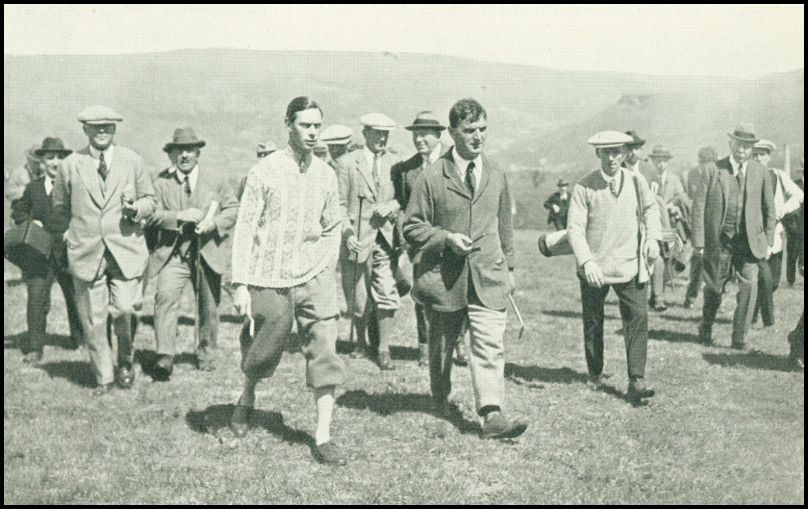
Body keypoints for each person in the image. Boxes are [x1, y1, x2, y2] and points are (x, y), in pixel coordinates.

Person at [229, 97, 346, 465]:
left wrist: (325, 264)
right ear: (288, 124)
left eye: (316, 126)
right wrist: (240, 283)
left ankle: (323, 436)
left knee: (325, 349)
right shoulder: (263, 172)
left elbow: (333, 225)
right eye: (304, 125)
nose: (311, 133)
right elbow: (245, 227)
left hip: (315, 275)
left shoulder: (326, 175)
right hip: (270, 275)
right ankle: (247, 394)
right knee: (261, 351)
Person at [404, 98, 527, 439]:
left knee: (489, 344)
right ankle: (440, 396)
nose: (478, 137)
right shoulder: (432, 176)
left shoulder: (496, 173)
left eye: (483, 129)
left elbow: (504, 227)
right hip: (445, 279)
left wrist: (510, 268)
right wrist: (445, 238)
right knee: (442, 348)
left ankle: (491, 413)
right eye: (470, 130)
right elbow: (411, 226)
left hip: (488, 274)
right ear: (452, 132)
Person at [51, 105, 156, 395]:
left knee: (125, 309)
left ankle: (125, 359)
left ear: (115, 129)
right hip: (86, 251)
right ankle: (104, 377)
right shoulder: (71, 164)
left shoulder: (132, 161)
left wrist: (136, 209)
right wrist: (71, 234)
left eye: (107, 126)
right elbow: (59, 206)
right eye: (96, 126)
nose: (102, 131)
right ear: (85, 129)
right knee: (94, 319)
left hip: (126, 249)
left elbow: (151, 200)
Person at [567, 130, 661, 404]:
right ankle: (595, 372)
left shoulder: (636, 181)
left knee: (637, 317)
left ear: (625, 154)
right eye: (606, 152)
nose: (611, 158)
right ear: (598, 153)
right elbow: (575, 229)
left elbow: (650, 210)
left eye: (617, 152)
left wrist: (653, 238)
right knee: (593, 320)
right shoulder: (584, 187)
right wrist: (587, 262)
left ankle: (636, 379)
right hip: (595, 267)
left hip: (630, 264)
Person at [148, 127, 240, 380]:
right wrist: (178, 216)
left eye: (189, 150)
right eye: (179, 151)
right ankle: (165, 356)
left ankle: (205, 352)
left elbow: (233, 208)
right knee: (165, 297)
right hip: (173, 254)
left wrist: (214, 223)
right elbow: (151, 215)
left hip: (207, 252)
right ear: (171, 155)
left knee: (208, 306)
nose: (185, 155)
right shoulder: (161, 183)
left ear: (198, 153)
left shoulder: (216, 180)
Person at [391, 111, 468, 367]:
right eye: (415, 134)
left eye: (424, 134)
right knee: (423, 294)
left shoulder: (456, 161)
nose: (419, 139)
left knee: (459, 293)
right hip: (422, 245)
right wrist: (405, 244)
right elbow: (406, 209)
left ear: (438, 135)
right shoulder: (407, 170)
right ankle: (426, 346)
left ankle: (458, 341)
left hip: (455, 241)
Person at [691, 124, 776, 349]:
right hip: (719, 241)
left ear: (752, 148)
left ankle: (739, 338)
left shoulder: (761, 172)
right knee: (714, 288)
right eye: (738, 144)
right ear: (731, 144)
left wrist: (768, 240)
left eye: (747, 146)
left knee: (749, 287)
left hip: (749, 243)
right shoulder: (713, 170)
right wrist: (699, 241)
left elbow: (769, 209)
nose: (741, 150)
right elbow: (698, 206)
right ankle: (706, 326)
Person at [335, 112, 402, 370]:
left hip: (385, 239)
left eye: (386, 134)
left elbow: (404, 198)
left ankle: (383, 349)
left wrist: (392, 206)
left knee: (387, 293)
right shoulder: (346, 163)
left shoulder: (396, 163)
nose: (382, 139)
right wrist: (347, 233)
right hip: (357, 240)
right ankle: (361, 343)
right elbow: (339, 205)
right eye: (377, 134)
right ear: (365, 134)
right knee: (358, 299)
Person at [11, 137, 82, 363]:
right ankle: (35, 347)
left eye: (60, 157)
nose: (55, 162)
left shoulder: (76, 187)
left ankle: (80, 340)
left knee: (76, 296)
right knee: (37, 297)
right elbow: (18, 211)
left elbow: (86, 215)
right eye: (50, 158)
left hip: (69, 251)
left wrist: (73, 229)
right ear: (42, 161)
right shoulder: (33, 188)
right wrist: (31, 223)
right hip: (40, 253)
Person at [751, 140, 803, 327]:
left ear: (768, 157)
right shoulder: (746, 176)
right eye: (755, 154)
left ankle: (752, 310)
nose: (758, 158)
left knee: (772, 282)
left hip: (777, 234)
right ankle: (765, 320)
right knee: (762, 278)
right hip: (755, 233)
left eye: (762, 154)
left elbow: (799, 195)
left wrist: (782, 210)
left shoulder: (778, 176)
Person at [646, 145, 689, 312]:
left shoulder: (674, 179)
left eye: (664, 161)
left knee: (668, 256)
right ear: (653, 161)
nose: (661, 164)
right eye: (658, 161)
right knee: (655, 255)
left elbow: (681, 197)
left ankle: (657, 294)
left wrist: (673, 205)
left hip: (669, 224)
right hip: (651, 223)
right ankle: (658, 297)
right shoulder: (647, 178)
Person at [683, 146, 718, 309]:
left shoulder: (718, 174)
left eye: (710, 163)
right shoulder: (692, 174)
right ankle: (691, 297)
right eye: (703, 162)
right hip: (697, 224)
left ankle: (715, 300)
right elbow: (692, 201)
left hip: (714, 226)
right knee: (698, 262)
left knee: (715, 266)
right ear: (699, 161)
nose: (706, 166)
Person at [784, 159, 804, 287]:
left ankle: (802, 269)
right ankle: (790, 280)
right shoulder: (793, 185)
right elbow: (786, 204)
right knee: (792, 253)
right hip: (795, 226)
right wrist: (789, 224)